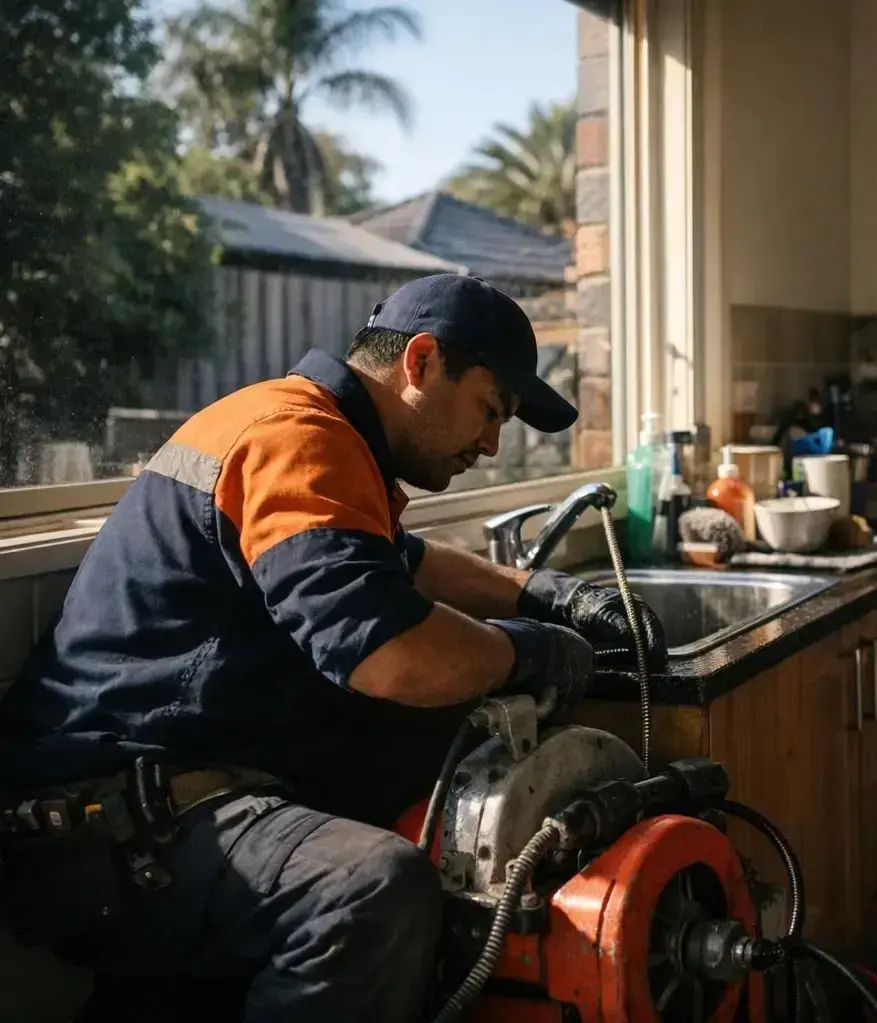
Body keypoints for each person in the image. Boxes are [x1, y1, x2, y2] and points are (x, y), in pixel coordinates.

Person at [0, 273, 666, 1022]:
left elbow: (409, 562)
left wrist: (546, 593)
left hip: (162, 789)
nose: (491, 443)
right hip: (106, 822)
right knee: (369, 889)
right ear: (420, 362)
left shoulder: (312, 431)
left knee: (440, 744)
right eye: (490, 408)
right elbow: (391, 654)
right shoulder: (298, 438)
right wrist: (528, 652)